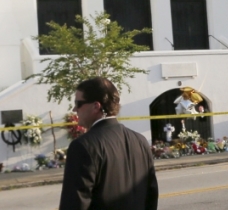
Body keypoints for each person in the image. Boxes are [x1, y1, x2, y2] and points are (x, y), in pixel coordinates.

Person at [59, 77, 158, 210]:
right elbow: (151, 195)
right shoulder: (140, 140)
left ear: (96, 106)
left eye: (78, 103)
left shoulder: (83, 146)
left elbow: (75, 203)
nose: (74, 109)